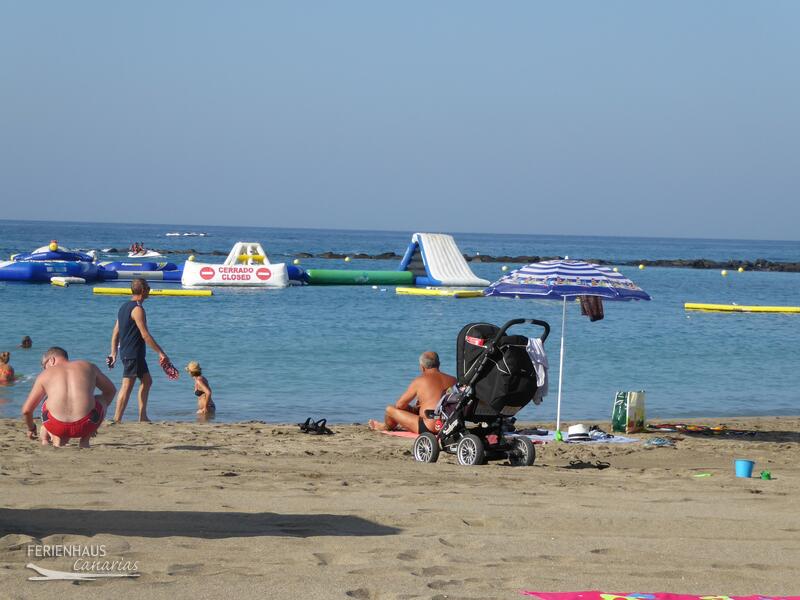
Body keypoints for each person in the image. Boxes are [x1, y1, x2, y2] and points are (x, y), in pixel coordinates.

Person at [21, 347, 116, 448]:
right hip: (87, 424)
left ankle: (58, 440)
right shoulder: (88, 366)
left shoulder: (44, 375)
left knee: (47, 401)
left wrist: (31, 428)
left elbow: (27, 410)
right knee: (100, 399)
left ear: (51, 360)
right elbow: (111, 391)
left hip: (56, 426)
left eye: (44, 366)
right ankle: (85, 440)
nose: (44, 369)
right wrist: (95, 422)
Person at [108, 278, 171, 422]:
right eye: (148, 288)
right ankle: (117, 419)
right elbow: (145, 335)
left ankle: (143, 416)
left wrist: (113, 353)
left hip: (133, 353)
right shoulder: (137, 309)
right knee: (127, 385)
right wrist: (160, 352)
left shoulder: (123, 307)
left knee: (147, 381)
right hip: (132, 353)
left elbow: (115, 333)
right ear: (143, 290)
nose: (150, 290)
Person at [369, 351, 457, 434]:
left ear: (422, 367)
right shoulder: (454, 380)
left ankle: (386, 427)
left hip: (429, 427)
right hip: (449, 426)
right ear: (439, 364)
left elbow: (400, 405)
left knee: (390, 409)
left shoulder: (420, 380)